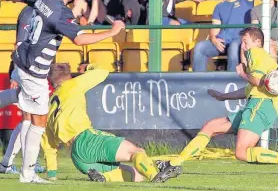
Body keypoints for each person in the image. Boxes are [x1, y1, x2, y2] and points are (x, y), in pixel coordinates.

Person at [0, 0, 126, 184]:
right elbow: (80, 40)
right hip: (34, 71)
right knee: (39, 121)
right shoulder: (61, 13)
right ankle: (28, 174)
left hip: (20, 62)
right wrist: (112, 31)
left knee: (18, 99)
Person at [156, 27, 278, 174]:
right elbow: (251, 88)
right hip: (257, 104)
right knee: (210, 127)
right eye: (242, 43)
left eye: (246, 42)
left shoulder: (256, 54)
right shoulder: (260, 60)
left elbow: (258, 81)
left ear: (257, 42)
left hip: (260, 106)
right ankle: (174, 163)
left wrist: (242, 74)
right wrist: (224, 96)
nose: (243, 46)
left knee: (242, 152)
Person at [41, 63, 181, 183]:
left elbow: (48, 146)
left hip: (77, 158)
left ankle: (102, 176)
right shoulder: (74, 84)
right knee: (136, 152)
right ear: (69, 76)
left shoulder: (49, 105)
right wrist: (89, 66)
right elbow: (102, 71)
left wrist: (52, 175)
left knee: (137, 176)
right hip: (86, 140)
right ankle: (154, 176)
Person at [0, 0, 55, 175]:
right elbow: (20, 44)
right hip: (24, 69)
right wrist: (15, 75)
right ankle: (13, 163)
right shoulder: (30, 12)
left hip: (32, 69)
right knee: (29, 118)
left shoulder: (43, 11)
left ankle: (8, 163)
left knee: (29, 118)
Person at [192, 0, 254, 72]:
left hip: (240, 41)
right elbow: (215, 27)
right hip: (223, 42)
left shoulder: (246, 0)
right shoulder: (220, 6)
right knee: (200, 47)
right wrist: (213, 39)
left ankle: (232, 82)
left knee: (233, 47)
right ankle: (199, 83)